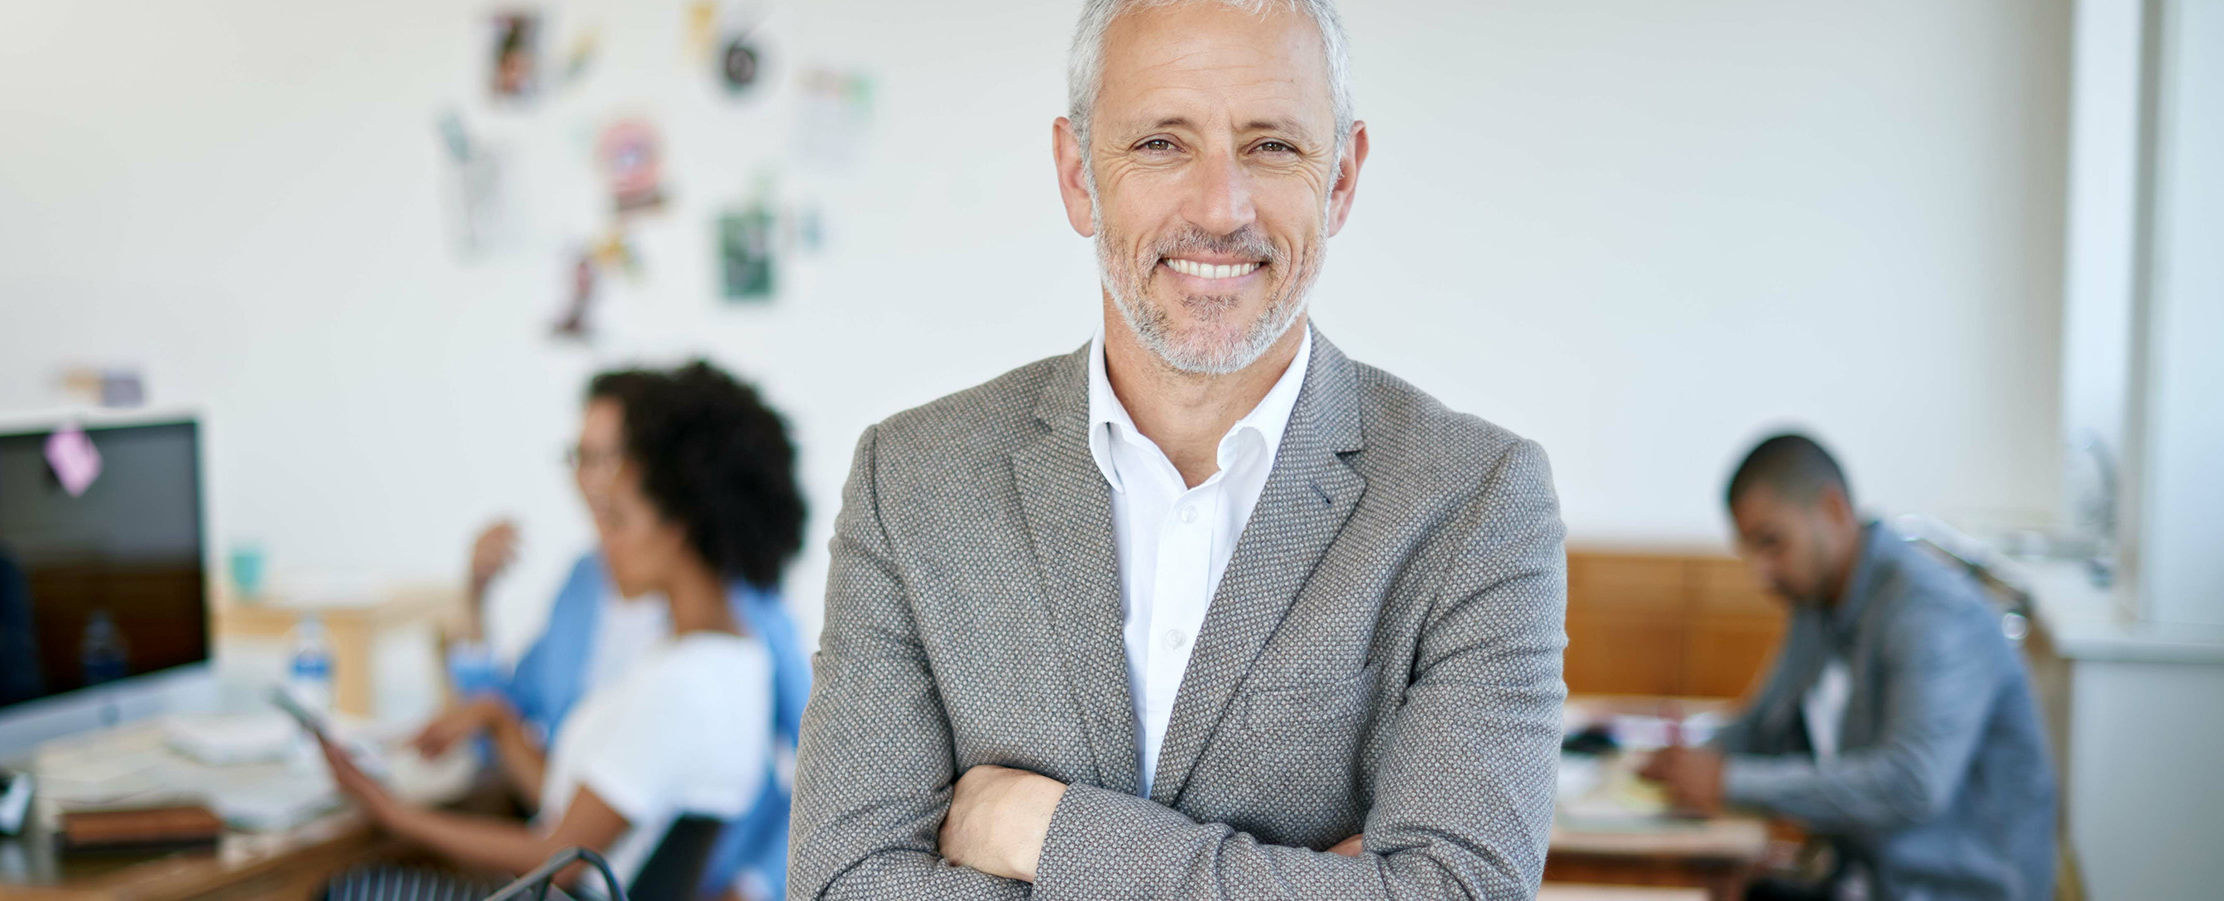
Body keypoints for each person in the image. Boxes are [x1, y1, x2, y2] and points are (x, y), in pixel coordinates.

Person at [787, 0, 1569, 897]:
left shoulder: (1475, 499)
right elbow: (839, 885)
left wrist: (1043, 832)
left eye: (1272, 145)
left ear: (1342, 179)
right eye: (1162, 142)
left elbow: (1459, 892)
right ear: (1079, 175)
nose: (1220, 208)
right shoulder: (914, 480)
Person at [323, 362, 807, 900]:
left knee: (348, 887)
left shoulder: (695, 671)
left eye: (618, 516)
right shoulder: (722, 655)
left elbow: (564, 857)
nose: (604, 534)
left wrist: (391, 813)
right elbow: (590, 801)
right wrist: (495, 715)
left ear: (677, 521)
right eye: (582, 458)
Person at [1641, 434, 2056, 901]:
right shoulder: (1819, 599)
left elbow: (1912, 783)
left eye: (1772, 543)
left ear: (1833, 510)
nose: (1762, 574)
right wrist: (1684, 761)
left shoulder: (1930, 611)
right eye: (1750, 551)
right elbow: (1764, 726)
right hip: (1865, 877)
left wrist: (1727, 780)